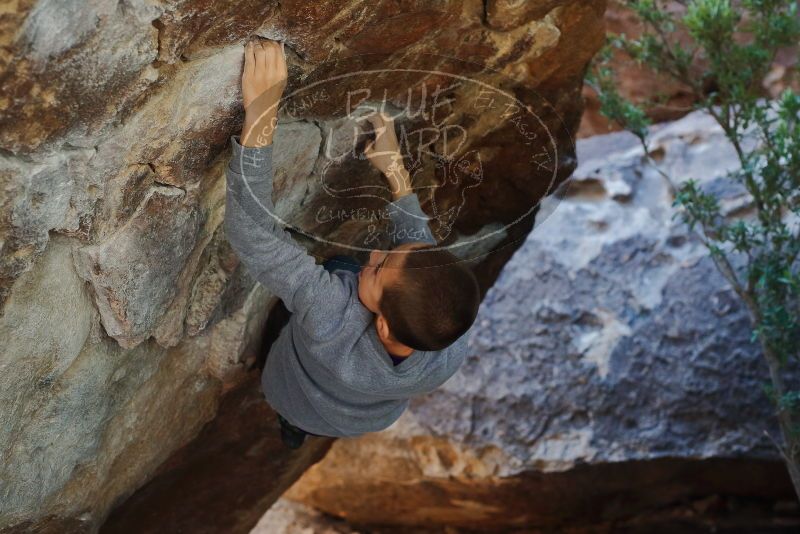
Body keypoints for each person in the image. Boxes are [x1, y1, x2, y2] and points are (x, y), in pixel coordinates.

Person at [225, 38, 481, 448]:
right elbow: (420, 259)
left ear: (381, 324)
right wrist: (395, 171)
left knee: (334, 273)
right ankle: (297, 430)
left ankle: (291, 422)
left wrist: (261, 114)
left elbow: (253, 236)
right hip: (357, 416)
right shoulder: (447, 338)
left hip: (291, 393)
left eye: (379, 269)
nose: (374, 254)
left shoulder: (333, 315)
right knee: (350, 269)